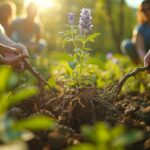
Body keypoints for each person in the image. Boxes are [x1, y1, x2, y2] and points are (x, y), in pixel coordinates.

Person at [121, 0, 150, 64]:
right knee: (127, 44)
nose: (146, 12)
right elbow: (140, 49)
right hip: (145, 55)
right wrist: (145, 62)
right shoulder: (140, 28)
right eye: (143, 10)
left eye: (148, 8)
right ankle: (139, 66)